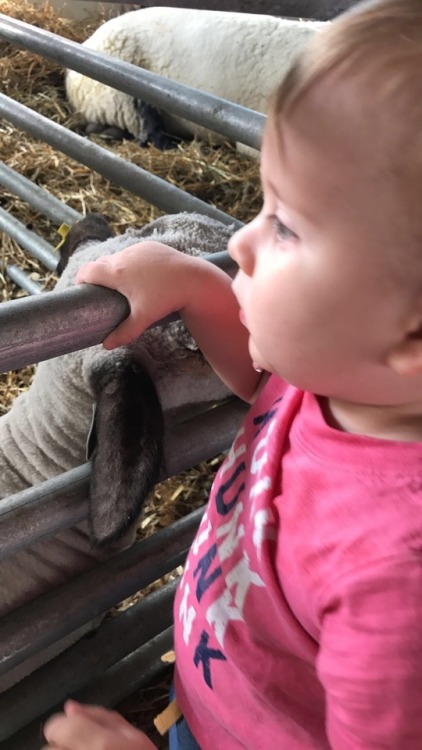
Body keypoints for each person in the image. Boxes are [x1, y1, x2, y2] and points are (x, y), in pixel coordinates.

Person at [42, 0, 422, 747]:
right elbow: (263, 384)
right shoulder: (347, 381)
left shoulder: (394, 581)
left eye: (284, 224)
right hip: (220, 697)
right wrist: (195, 286)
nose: (240, 241)